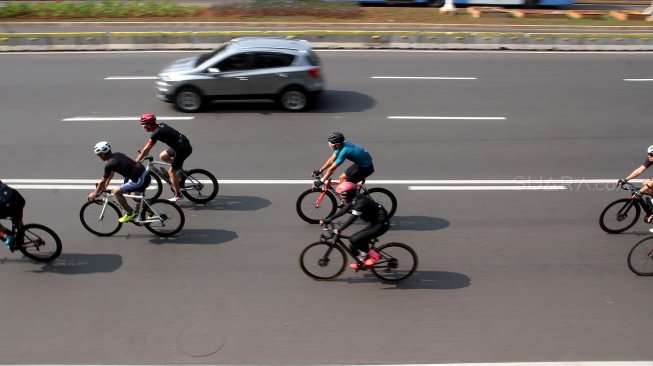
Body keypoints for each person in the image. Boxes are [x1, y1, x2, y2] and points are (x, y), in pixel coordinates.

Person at [320, 181, 390, 271]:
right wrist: (328, 219)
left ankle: (375, 256)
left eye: (342, 195)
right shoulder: (354, 198)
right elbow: (343, 210)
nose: (341, 197)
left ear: (349, 194)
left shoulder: (361, 202)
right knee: (354, 244)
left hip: (381, 224)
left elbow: (352, 219)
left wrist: (339, 230)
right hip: (374, 221)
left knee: (354, 239)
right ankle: (362, 260)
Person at [87, 141, 151, 223]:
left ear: (103, 154)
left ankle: (130, 213)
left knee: (116, 192)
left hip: (140, 181)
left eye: (99, 155)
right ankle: (152, 213)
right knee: (135, 197)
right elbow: (112, 172)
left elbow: (102, 181)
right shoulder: (117, 154)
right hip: (145, 175)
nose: (99, 157)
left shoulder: (109, 164)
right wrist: (107, 183)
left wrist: (94, 193)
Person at [135, 113, 192, 202]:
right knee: (163, 156)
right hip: (180, 145)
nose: (144, 128)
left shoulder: (156, 133)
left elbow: (147, 148)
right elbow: (147, 148)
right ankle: (179, 169)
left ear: (149, 125)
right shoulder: (161, 125)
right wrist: (144, 152)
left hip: (182, 149)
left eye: (144, 126)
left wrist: (136, 162)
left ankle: (178, 195)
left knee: (171, 172)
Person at [0, 180, 25, 249]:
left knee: (13, 214)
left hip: (9, 204)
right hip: (18, 198)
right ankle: (20, 240)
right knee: (17, 220)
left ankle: (9, 235)